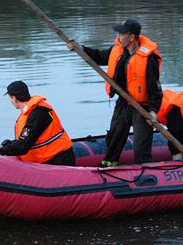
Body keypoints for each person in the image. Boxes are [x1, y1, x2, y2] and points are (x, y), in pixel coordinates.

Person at [67, 19, 163, 166]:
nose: (118, 37)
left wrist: (153, 111)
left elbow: (156, 89)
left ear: (131, 37)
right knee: (114, 137)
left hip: (142, 107)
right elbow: (99, 56)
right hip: (124, 103)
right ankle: (109, 166)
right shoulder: (118, 50)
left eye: (122, 34)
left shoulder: (149, 59)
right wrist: (80, 48)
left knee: (141, 145)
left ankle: (144, 173)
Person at [0, 81, 75, 166]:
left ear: (14, 98)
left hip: (58, 158)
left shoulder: (38, 113)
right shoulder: (31, 112)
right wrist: (6, 145)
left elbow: (23, 146)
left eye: (10, 98)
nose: (11, 100)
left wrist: (0, 152)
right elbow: (27, 139)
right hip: (47, 158)